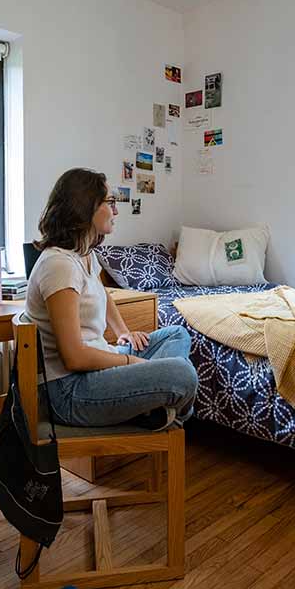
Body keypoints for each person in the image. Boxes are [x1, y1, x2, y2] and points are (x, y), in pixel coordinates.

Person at [25, 168, 198, 430]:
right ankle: (160, 411)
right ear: (85, 207)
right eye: (110, 202)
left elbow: (101, 292)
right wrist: (130, 361)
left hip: (98, 363)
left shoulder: (84, 254)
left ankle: (156, 410)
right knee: (182, 374)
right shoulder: (59, 266)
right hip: (71, 390)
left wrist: (123, 332)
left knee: (177, 335)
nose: (116, 211)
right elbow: (74, 358)